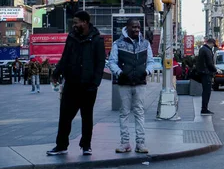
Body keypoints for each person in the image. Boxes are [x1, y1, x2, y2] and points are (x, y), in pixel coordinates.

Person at [47, 11, 106, 156]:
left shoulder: (97, 39)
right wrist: (56, 73)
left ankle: (86, 146)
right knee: (65, 116)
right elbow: (65, 56)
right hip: (71, 84)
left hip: (88, 85)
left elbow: (100, 63)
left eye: (76, 22)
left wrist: (95, 83)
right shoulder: (72, 37)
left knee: (87, 117)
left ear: (85, 22)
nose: (74, 25)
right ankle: (61, 145)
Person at [107, 18, 154, 154]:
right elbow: (112, 62)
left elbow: (151, 61)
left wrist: (147, 72)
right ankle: (125, 143)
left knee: (139, 112)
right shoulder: (118, 44)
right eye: (134, 27)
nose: (136, 29)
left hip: (140, 83)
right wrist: (119, 73)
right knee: (124, 113)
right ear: (127, 27)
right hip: (124, 84)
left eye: (138, 27)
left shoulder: (145, 44)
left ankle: (140, 143)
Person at [191, 38, 217, 115]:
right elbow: (209, 63)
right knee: (207, 91)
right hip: (206, 73)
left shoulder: (203, 49)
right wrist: (215, 70)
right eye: (213, 45)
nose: (213, 46)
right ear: (211, 43)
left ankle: (204, 108)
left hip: (203, 72)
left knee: (206, 91)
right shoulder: (207, 50)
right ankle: (204, 109)